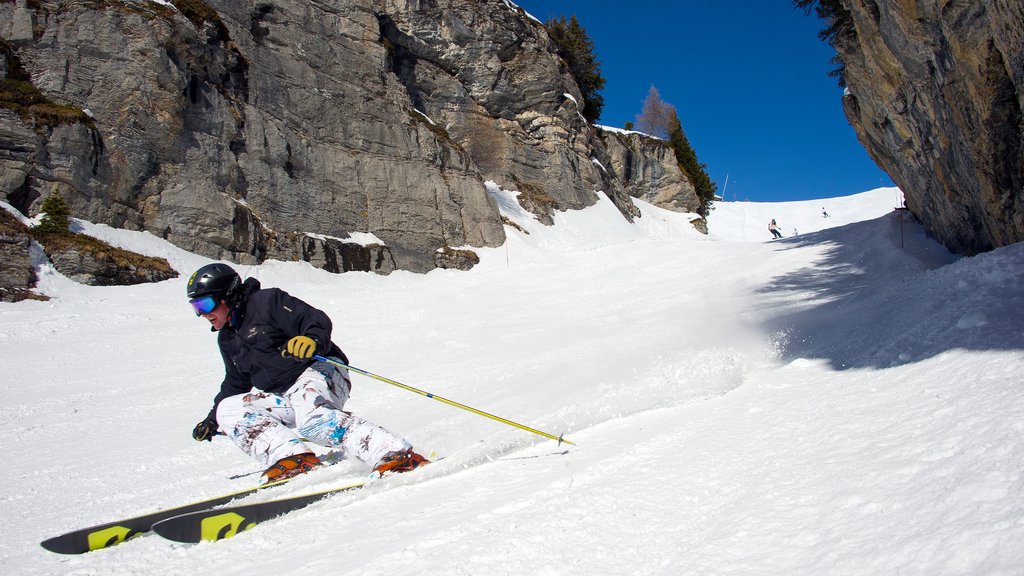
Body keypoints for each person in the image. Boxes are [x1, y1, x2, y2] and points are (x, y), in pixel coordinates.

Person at [186, 263, 427, 484]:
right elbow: (235, 383)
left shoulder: (267, 302)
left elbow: (314, 319)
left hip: (319, 371)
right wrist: (212, 419)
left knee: (313, 422)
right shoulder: (227, 338)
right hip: (284, 395)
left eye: (206, 305)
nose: (203, 314)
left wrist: (311, 339)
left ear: (229, 295)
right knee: (228, 409)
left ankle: (395, 454)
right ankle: (295, 459)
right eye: (196, 308)